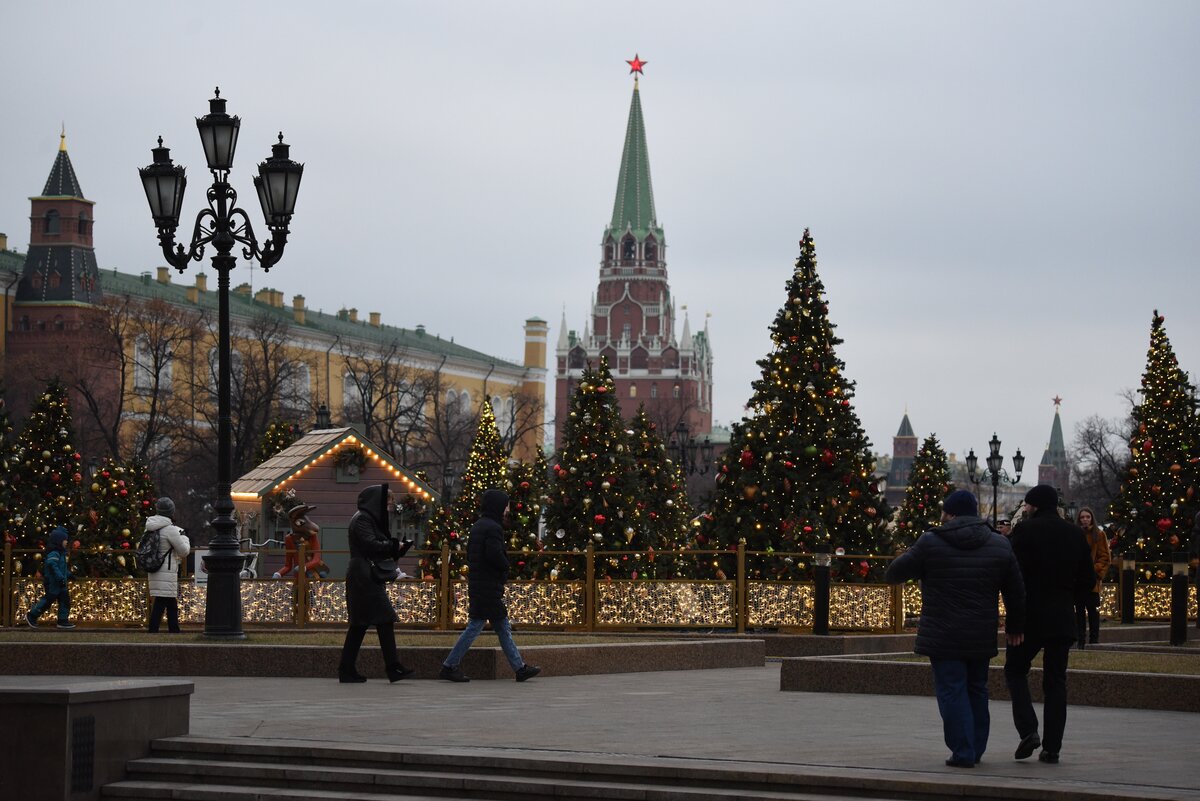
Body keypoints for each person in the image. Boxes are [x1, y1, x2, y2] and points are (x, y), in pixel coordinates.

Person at [884, 489, 1025, 768]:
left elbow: (894, 573)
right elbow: (1016, 591)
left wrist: (918, 554)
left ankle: (963, 751)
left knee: (951, 690)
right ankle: (976, 748)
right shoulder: (999, 544)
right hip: (980, 632)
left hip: (943, 632)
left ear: (949, 513)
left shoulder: (931, 541)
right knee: (977, 688)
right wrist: (1016, 625)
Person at [1004, 484, 1095, 765]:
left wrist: (1014, 622)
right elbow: (1088, 580)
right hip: (1061, 618)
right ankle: (1052, 748)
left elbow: (1013, 580)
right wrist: (1069, 600)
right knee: (1056, 682)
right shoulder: (1074, 533)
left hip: (1029, 617)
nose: (1025, 509)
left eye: (1028, 505)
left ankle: (1029, 730)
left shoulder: (1024, 532)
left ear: (1034, 505)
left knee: (1015, 670)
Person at [439, 488, 541, 683]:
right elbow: (494, 554)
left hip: (480, 583)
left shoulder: (478, 525)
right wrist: (505, 565)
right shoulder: (493, 528)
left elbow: (471, 554)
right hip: (488, 585)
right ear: (498, 507)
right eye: (506, 505)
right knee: (477, 626)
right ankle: (449, 665)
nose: (507, 509)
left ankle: (519, 668)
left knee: (500, 626)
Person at [338, 483, 414, 683]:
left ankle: (348, 669)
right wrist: (394, 545)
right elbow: (371, 545)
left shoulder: (366, 518)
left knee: (361, 624)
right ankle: (391, 667)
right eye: (387, 502)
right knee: (381, 619)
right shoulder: (363, 519)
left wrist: (398, 548)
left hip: (364, 574)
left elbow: (377, 546)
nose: (389, 506)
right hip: (364, 576)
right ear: (377, 502)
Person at [146, 497, 191, 633]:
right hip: (167, 570)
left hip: (154, 568)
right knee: (161, 601)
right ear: (171, 512)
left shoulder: (149, 527)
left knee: (169, 601)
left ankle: (174, 629)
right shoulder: (171, 530)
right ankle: (154, 630)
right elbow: (184, 552)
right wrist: (184, 537)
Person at [1073, 507, 1111, 648]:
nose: (1085, 519)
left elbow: (1105, 557)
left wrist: (1094, 571)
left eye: (1087, 517)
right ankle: (1080, 641)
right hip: (1077, 579)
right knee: (1079, 611)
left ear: (1092, 518)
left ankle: (1094, 640)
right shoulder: (1075, 534)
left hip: (1091, 579)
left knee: (1092, 610)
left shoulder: (1099, 534)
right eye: (1082, 517)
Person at [25, 527, 75, 629]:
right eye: (65, 540)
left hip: (61, 582)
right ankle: (32, 615)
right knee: (47, 601)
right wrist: (61, 578)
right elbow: (53, 566)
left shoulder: (61, 553)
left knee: (64, 600)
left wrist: (68, 575)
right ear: (59, 541)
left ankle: (62, 620)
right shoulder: (54, 553)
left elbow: (62, 568)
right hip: (53, 582)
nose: (66, 542)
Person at [273, 504, 330, 580]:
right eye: (300, 523)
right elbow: (288, 565)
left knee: (315, 591)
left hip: (313, 576)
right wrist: (278, 574)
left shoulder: (312, 536)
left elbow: (317, 559)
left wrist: (304, 567)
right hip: (298, 579)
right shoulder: (289, 539)